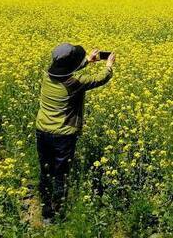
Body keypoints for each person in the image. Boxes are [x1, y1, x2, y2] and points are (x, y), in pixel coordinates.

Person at [35, 43, 115, 221]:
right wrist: (108, 65)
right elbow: (99, 79)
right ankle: (56, 215)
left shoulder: (46, 76)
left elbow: (65, 71)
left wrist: (87, 61)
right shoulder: (74, 83)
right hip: (63, 135)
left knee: (46, 170)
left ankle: (45, 209)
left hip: (41, 130)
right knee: (61, 174)